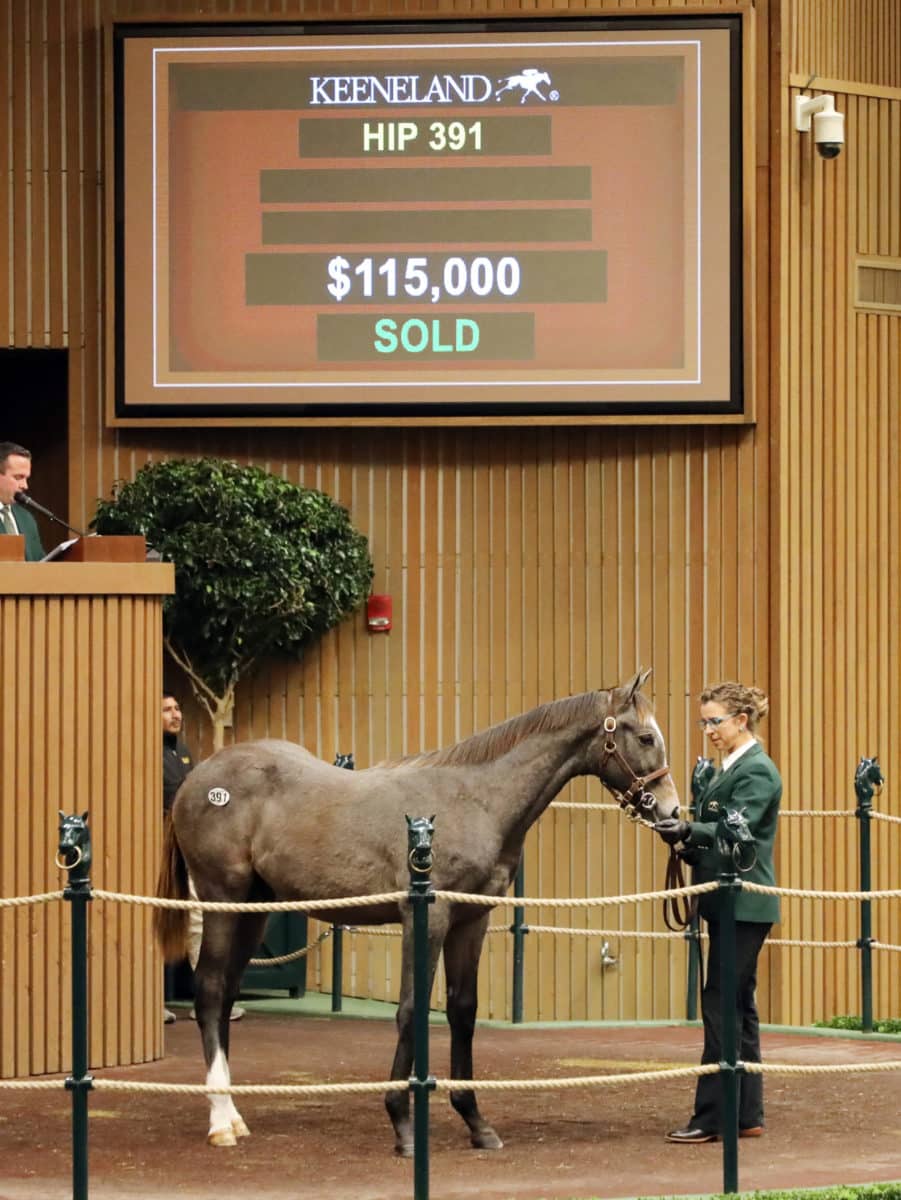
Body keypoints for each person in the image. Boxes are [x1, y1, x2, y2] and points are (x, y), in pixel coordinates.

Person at [654, 681, 781, 1144]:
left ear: (740, 721)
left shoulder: (757, 772)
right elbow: (719, 836)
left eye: (715, 721)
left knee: (720, 1003)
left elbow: (736, 828)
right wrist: (689, 843)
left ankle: (712, 1115)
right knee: (738, 1005)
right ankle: (746, 1112)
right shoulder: (726, 769)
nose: (708, 729)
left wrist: (692, 827)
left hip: (744, 903)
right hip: (728, 900)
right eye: (704, 721)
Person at [162, 692, 244, 1023]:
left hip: (185, 846)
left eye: (177, 707)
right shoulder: (146, 748)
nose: (175, 714)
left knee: (197, 917)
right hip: (157, 849)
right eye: (166, 709)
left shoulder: (181, 751)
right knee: (160, 920)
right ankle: (148, 1004)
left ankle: (210, 998)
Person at [0, 442, 45, 561]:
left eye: (26, 478)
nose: (25, 486)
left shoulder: (26, 518)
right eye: (18, 477)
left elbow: (40, 562)